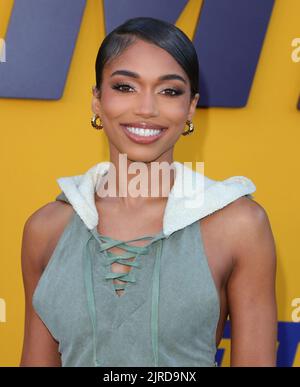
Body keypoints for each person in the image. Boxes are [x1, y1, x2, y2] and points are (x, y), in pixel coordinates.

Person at [20, 17, 277, 367]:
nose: (146, 108)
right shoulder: (46, 229)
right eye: (125, 87)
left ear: (190, 108)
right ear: (97, 99)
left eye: (169, 91)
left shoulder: (238, 224)